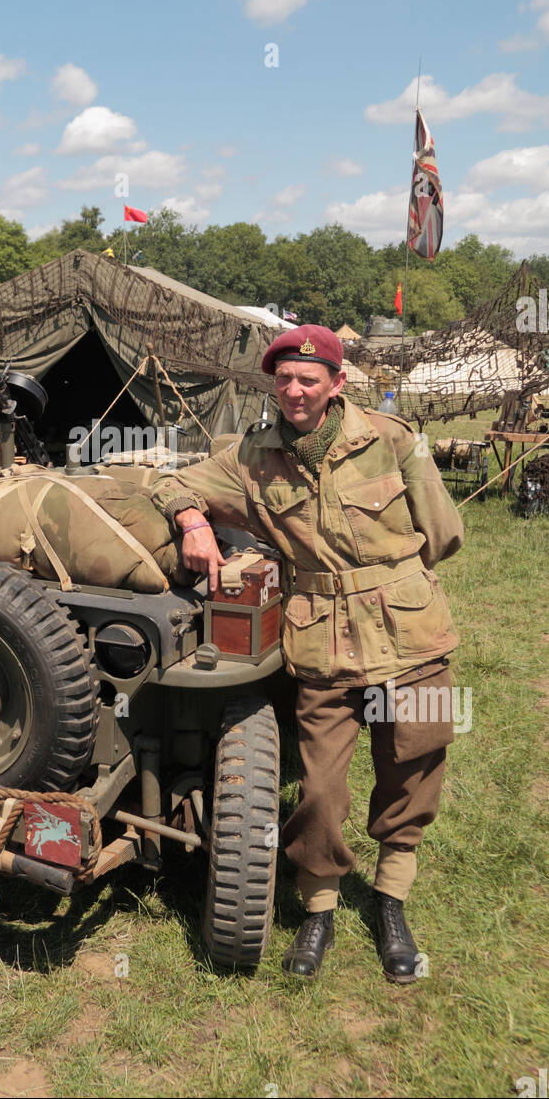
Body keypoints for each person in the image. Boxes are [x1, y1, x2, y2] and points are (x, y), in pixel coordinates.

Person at [151, 324, 464, 982]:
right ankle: (318, 908)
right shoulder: (253, 456)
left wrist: (392, 583)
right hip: (321, 640)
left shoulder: (392, 440)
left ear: (337, 384)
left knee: (413, 765)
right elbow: (173, 482)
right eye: (284, 381)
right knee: (319, 790)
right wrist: (194, 521)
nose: (294, 392)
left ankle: (390, 902)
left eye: (308, 380)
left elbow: (442, 533)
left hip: (410, 631)